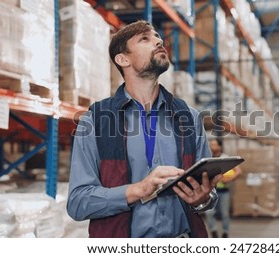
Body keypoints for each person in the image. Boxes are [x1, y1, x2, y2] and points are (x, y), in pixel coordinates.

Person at [66, 20, 222, 238]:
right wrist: (138, 189)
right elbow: (78, 203)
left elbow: (208, 195)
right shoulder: (96, 121)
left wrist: (203, 199)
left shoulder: (189, 118)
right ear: (123, 59)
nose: (158, 41)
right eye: (145, 39)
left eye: (158, 37)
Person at [204, 139, 242, 238]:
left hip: (224, 191)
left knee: (225, 214)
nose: (212, 147)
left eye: (214, 145)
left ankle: (225, 233)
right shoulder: (207, 159)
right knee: (209, 213)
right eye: (211, 145)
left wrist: (229, 179)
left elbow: (238, 171)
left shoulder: (225, 158)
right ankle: (213, 232)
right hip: (210, 191)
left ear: (220, 147)